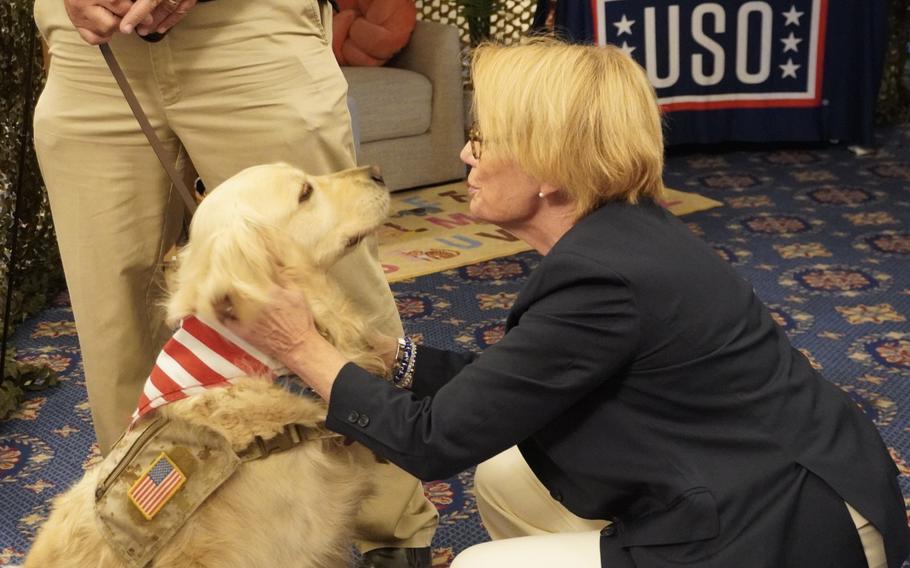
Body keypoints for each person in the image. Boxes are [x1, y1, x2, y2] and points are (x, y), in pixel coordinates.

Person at [224, 39, 910, 568]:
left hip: (790, 532)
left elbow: (431, 444)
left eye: (485, 137)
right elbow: (517, 388)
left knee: (479, 565)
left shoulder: (602, 280)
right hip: (759, 479)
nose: (465, 152)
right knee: (503, 470)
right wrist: (391, 358)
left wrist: (298, 347)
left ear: (550, 167)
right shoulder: (619, 237)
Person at [31, 0, 437, 565]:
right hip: (89, 53)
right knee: (114, 325)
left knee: (339, 299)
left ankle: (390, 539)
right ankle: (161, 544)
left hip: (247, 30)